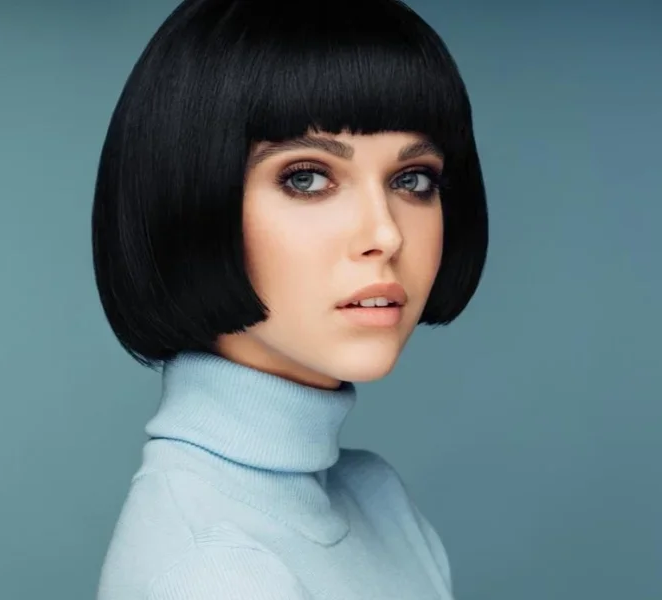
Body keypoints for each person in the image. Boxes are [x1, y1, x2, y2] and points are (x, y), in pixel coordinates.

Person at [92, 0, 488, 597]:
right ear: (188, 198)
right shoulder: (217, 572)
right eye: (307, 178)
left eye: (412, 180)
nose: (386, 234)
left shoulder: (377, 499)